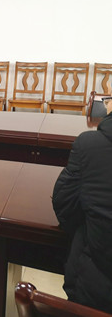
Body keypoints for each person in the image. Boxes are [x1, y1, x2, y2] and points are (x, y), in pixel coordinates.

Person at [52, 96, 112, 313]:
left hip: (95, 281)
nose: (106, 104)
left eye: (108, 98)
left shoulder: (90, 145)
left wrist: (86, 228)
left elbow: (65, 203)